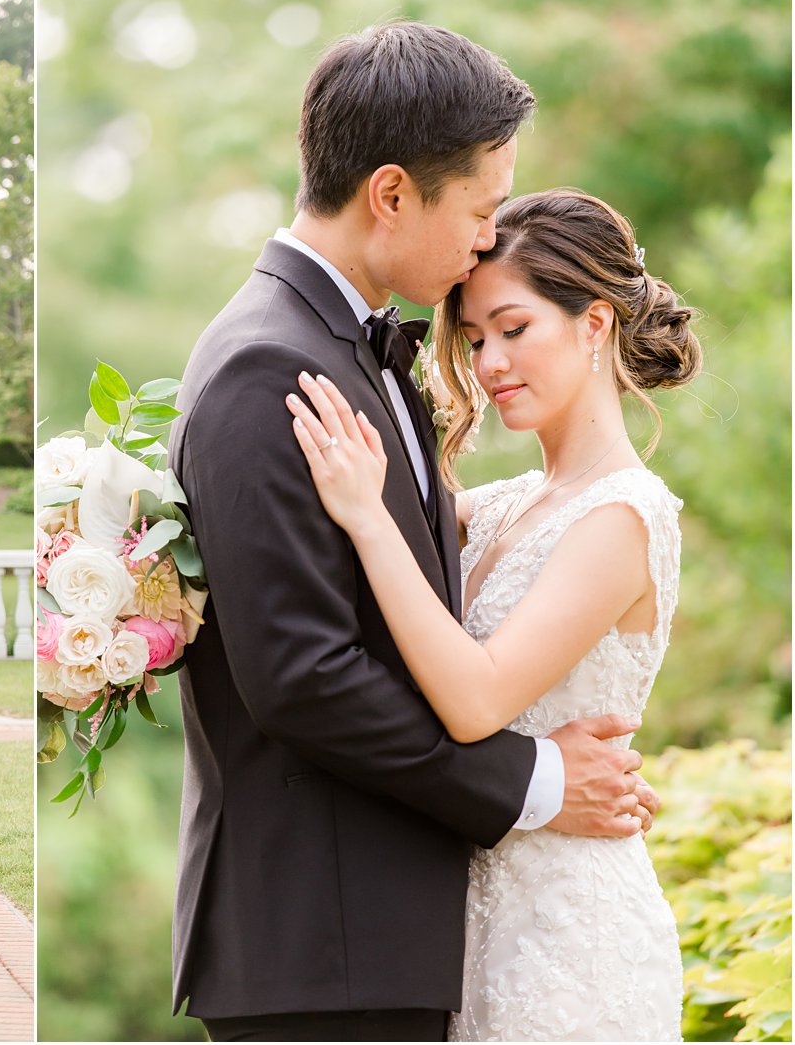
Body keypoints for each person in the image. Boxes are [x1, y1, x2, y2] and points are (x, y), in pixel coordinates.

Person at [168, 22, 662, 1042]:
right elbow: (303, 675)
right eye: (479, 211)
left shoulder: (353, 349)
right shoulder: (271, 365)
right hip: (321, 943)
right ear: (390, 193)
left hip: (410, 933)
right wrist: (533, 781)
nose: (485, 239)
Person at [287, 188, 698, 1039]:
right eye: (473, 338)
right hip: (464, 915)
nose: (490, 362)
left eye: (515, 328)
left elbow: (477, 698)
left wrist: (368, 516)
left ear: (593, 325)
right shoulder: (506, 504)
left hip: (569, 939)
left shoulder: (624, 515)